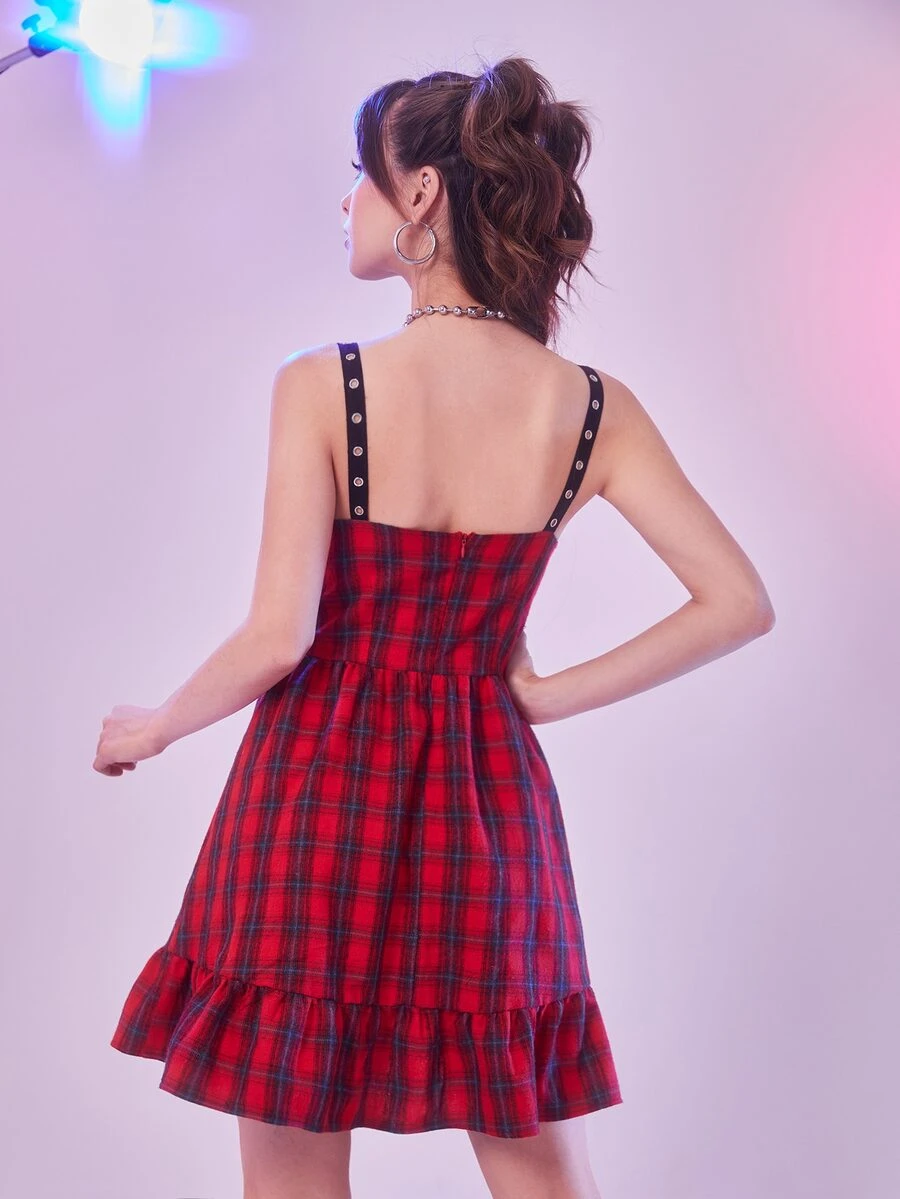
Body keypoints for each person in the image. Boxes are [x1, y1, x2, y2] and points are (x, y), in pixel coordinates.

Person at [96, 55, 775, 1199]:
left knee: (293, 1165)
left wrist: (153, 724)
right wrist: (541, 696)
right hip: (486, 807)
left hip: (314, 800)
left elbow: (278, 637)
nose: (345, 200)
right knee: (538, 1164)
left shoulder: (326, 385)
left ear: (419, 193)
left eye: (359, 175)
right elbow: (737, 599)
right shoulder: (589, 406)